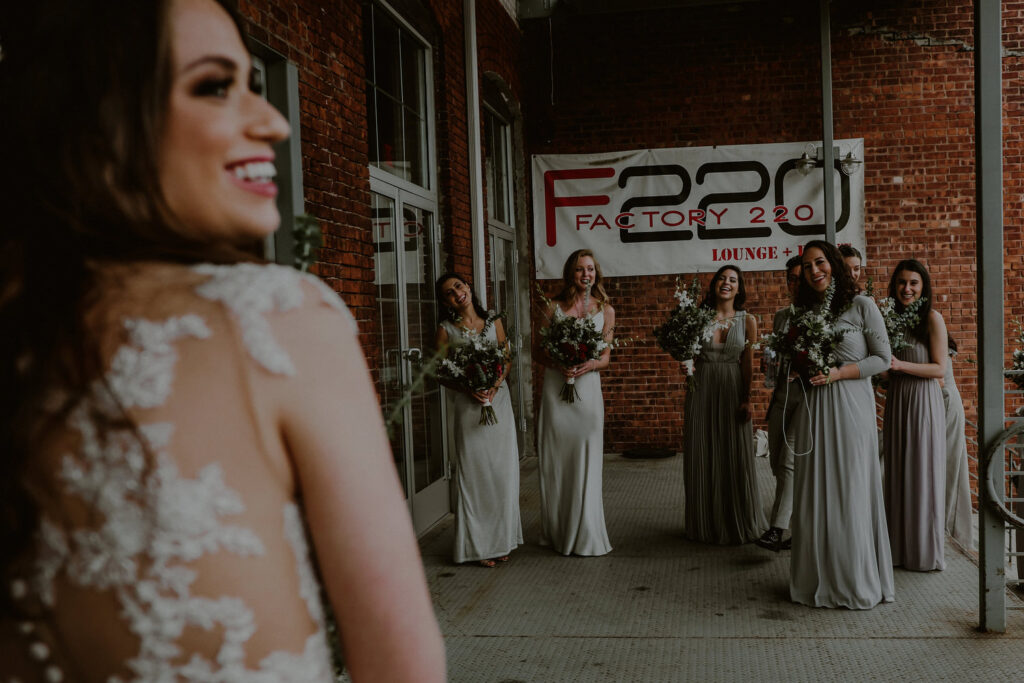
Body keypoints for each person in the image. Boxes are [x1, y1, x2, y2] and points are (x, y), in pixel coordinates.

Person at [0, 1, 446, 680]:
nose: (274, 124)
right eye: (214, 86)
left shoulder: (20, 335)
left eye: (254, 86)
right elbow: (404, 666)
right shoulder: (283, 323)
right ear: (103, 122)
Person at [789, 240, 894, 609]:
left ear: (834, 264)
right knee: (816, 489)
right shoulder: (802, 312)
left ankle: (854, 579)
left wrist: (839, 372)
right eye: (807, 266)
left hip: (851, 408)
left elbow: (883, 359)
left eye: (820, 262)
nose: (814, 270)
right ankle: (819, 577)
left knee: (850, 488)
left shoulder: (861, 306)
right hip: (814, 409)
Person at [435, 274, 523, 568]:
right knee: (474, 476)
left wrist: (494, 385)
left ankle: (501, 541)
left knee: (500, 472)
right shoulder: (446, 330)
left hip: (497, 403)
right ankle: (477, 547)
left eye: (458, 286)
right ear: (445, 302)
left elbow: (507, 358)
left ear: (468, 287)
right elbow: (439, 371)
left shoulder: (494, 322)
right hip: (469, 407)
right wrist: (467, 387)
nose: (457, 293)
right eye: (449, 293)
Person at [536, 249, 614, 556]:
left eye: (591, 269)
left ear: (597, 274)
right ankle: (558, 530)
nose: (586, 274)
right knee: (557, 460)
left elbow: (606, 357)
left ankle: (586, 532)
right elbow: (539, 351)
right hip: (557, 392)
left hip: (588, 394)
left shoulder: (606, 309)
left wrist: (590, 365)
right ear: (571, 273)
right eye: (581, 269)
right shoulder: (552, 307)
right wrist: (558, 363)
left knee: (586, 458)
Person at [682, 265, 765, 545]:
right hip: (702, 388)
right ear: (714, 284)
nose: (726, 283)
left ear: (739, 288)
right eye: (721, 278)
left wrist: (748, 399)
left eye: (732, 280)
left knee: (734, 453)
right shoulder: (697, 317)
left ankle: (737, 520)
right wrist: (685, 365)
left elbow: (749, 364)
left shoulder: (748, 321)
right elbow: (686, 353)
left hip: (732, 389)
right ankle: (705, 523)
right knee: (702, 451)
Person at [882, 260, 947, 571]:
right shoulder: (890, 319)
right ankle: (897, 549)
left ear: (924, 287)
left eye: (914, 283)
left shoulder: (932, 319)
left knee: (921, 471)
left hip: (922, 400)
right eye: (901, 283)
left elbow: (939, 368)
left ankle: (922, 553)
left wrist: (898, 366)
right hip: (897, 400)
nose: (907, 289)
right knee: (897, 470)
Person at [756, 255, 807, 552]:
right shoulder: (780, 316)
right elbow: (773, 357)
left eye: (800, 278)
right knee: (777, 462)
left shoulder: (817, 316)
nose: (795, 283)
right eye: (791, 278)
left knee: (789, 461)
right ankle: (799, 523)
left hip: (806, 398)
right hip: (780, 396)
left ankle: (776, 529)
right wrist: (769, 363)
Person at [941, 337, 975, 549]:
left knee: (949, 466)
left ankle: (949, 532)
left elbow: (939, 377)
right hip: (933, 401)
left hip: (944, 403)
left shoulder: (933, 328)